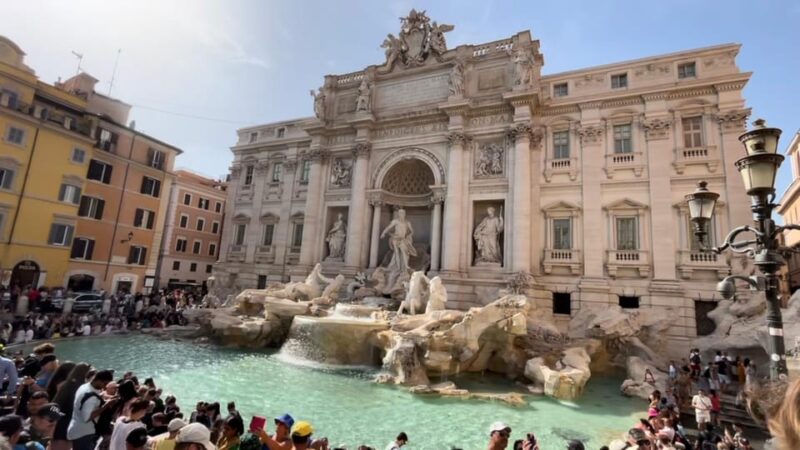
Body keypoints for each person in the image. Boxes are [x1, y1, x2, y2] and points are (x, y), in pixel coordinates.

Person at [66, 369, 116, 450]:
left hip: (76, 428)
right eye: (105, 383)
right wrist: (106, 405)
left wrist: (102, 400)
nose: (105, 387)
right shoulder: (91, 397)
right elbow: (87, 418)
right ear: (99, 380)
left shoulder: (84, 387)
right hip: (83, 433)